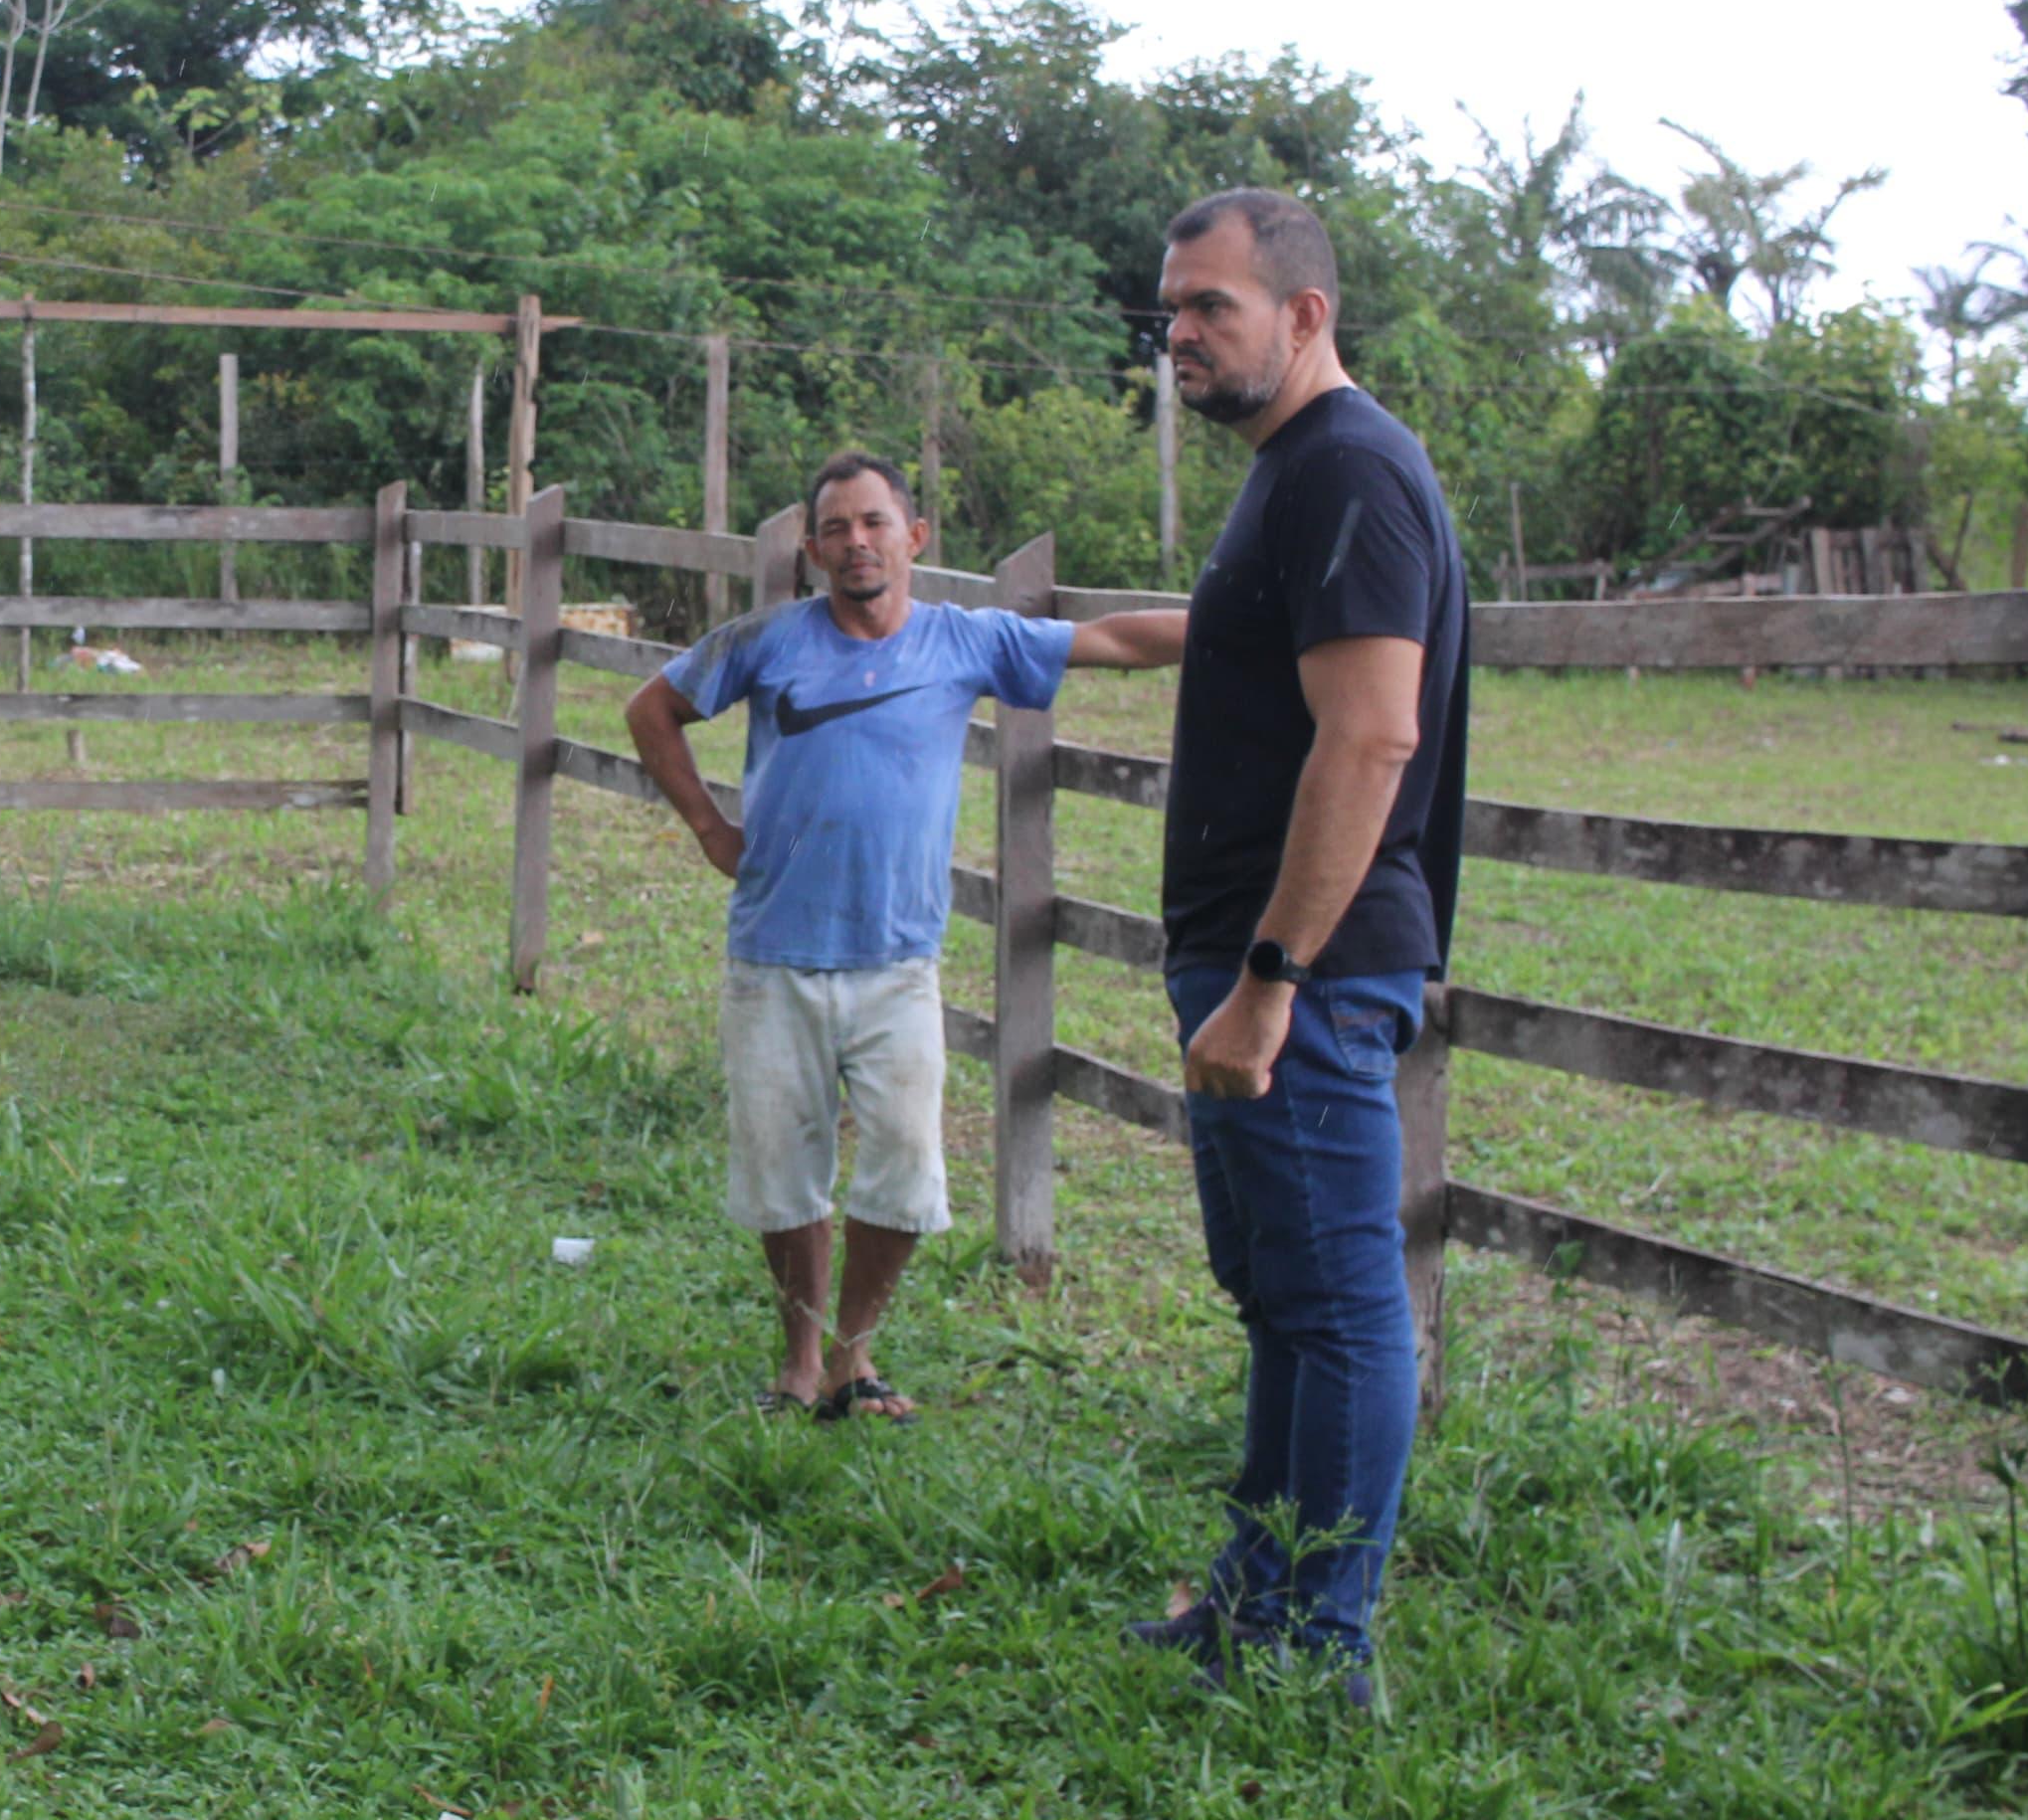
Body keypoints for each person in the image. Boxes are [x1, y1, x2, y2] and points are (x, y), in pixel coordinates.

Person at [629, 455, 1187, 1419]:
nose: (857, 542)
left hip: (897, 962)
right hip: (775, 953)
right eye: (836, 528)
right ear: (810, 551)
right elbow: (652, 708)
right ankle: (798, 1361)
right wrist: (709, 828)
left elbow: (1106, 640)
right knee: (781, 1165)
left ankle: (855, 1354)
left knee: (902, 1161)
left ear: (913, 535)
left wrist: (1241, 625)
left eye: (875, 522)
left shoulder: (963, 641)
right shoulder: (765, 641)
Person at [1126, 187, 1469, 1714]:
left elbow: (1374, 733)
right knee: (1283, 1301)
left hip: (1309, 977)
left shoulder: (1348, 474)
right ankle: (1258, 1601)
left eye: (1213, 307)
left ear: (1307, 316)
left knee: (1338, 1308)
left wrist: (1271, 982)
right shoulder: (1291, 474)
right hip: (1261, 967)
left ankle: (1321, 1654)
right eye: (1174, 311)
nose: (1182, 335)